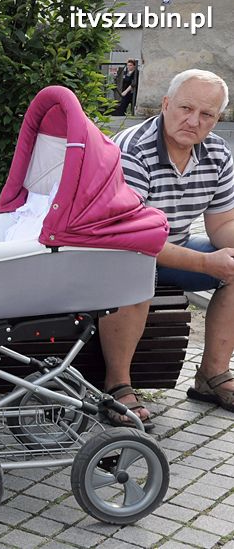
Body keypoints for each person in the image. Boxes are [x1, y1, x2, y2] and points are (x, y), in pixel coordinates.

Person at [99, 69, 234, 427]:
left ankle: (211, 376)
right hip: (115, 251)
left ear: (217, 119)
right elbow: (132, 237)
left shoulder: (218, 153)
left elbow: (222, 224)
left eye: (206, 114)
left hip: (174, 245)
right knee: (136, 269)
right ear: (165, 104)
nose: (194, 121)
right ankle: (117, 385)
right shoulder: (133, 150)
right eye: (186, 108)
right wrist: (206, 263)